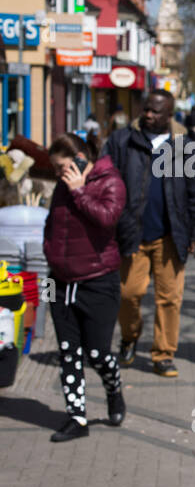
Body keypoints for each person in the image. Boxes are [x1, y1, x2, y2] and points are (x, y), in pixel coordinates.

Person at [106, 88, 195, 378]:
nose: (149, 115)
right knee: (129, 294)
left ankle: (163, 354)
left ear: (169, 115)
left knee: (170, 298)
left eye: (156, 111)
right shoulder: (121, 141)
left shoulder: (186, 146)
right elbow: (105, 182)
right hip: (132, 235)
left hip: (171, 237)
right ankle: (129, 337)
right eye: (146, 109)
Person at [41, 133, 127, 441]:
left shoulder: (110, 181)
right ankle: (76, 417)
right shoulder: (61, 187)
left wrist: (79, 192)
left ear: (80, 158)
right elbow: (53, 222)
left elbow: (107, 218)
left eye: (61, 166)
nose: (57, 173)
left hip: (98, 280)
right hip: (60, 281)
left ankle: (113, 389)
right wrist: (49, 249)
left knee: (97, 353)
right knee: (68, 352)